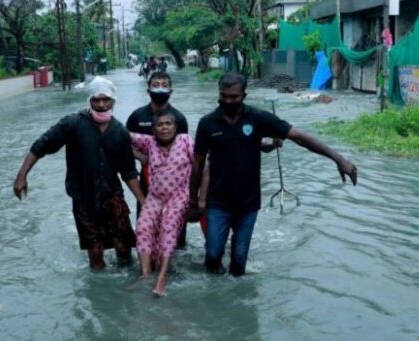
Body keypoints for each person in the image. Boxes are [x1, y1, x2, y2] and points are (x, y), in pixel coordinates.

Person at [189, 72, 358, 277]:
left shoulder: (258, 118)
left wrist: (339, 159)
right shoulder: (207, 124)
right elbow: (197, 165)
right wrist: (193, 202)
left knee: (239, 265)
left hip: (248, 203)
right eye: (224, 96)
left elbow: (299, 137)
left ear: (244, 95)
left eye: (234, 97)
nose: (228, 101)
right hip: (217, 202)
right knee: (213, 257)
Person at [14, 76, 145, 270]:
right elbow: (41, 145)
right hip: (83, 199)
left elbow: (128, 172)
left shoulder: (120, 132)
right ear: (89, 101)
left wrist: (143, 201)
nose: (101, 104)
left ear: (113, 102)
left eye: (105, 100)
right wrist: (21, 176)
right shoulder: (73, 123)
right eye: (96, 100)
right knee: (95, 253)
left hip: (112, 197)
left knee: (124, 248)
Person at [130, 110, 193, 296]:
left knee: (169, 227)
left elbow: (200, 162)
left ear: (175, 127)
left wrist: (198, 199)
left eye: (168, 124)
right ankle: (146, 274)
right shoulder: (149, 143)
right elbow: (123, 135)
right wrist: (139, 157)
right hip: (155, 196)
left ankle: (162, 277)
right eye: (159, 125)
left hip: (179, 195)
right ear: (154, 129)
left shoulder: (186, 140)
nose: (164, 128)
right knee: (143, 227)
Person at [126, 71, 190, 247]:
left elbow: (185, 151)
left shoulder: (179, 119)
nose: (160, 88)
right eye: (156, 84)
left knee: (176, 240)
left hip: (176, 186)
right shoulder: (137, 117)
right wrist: (141, 157)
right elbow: (124, 143)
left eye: (164, 84)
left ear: (171, 91)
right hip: (147, 183)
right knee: (145, 231)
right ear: (148, 90)